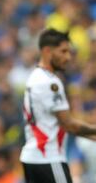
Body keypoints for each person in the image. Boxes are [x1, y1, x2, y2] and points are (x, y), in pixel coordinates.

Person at [20, 29, 96, 183]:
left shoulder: (35, 77)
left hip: (33, 158)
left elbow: (59, 124)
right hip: (48, 157)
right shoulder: (50, 82)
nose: (68, 57)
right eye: (63, 51)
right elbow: (69, 125)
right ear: (47, 51)